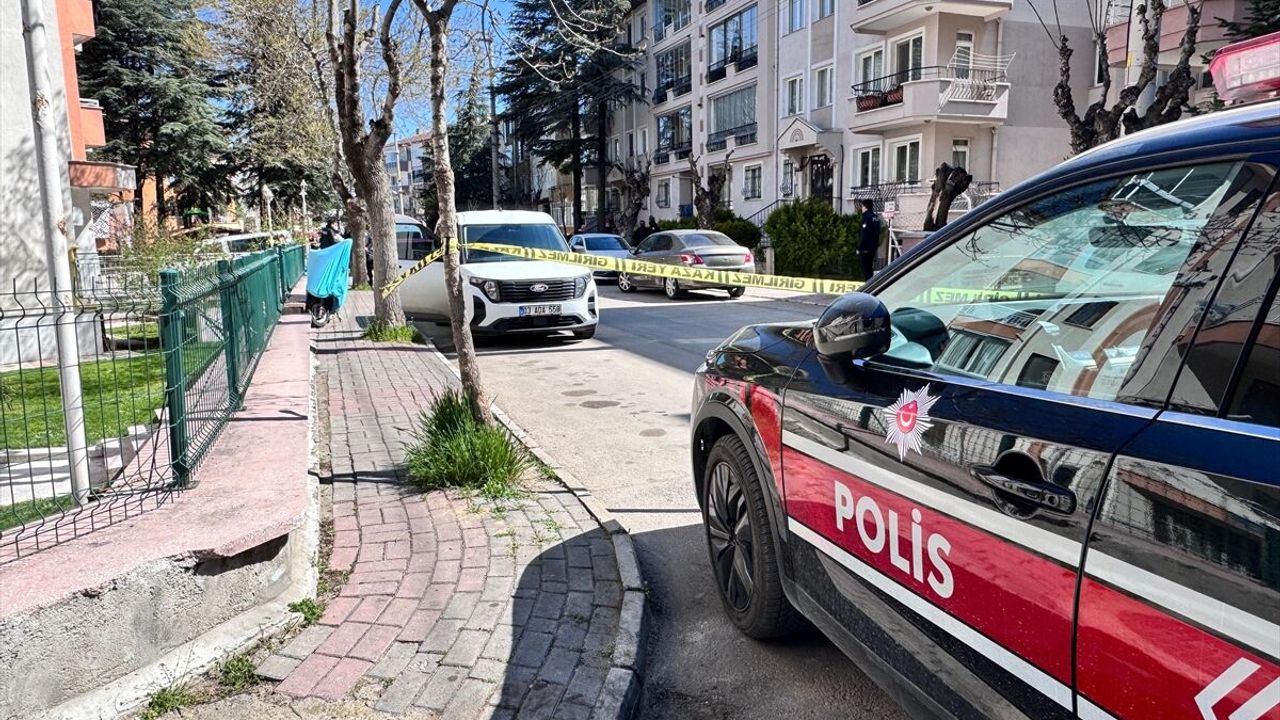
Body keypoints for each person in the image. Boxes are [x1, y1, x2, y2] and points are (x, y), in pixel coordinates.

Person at [858, 199, 881, 282]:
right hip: (873, 246)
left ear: (865, 207)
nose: (861, 208)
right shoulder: (876, 217)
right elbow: (878, 232)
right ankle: (870, 282)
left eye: (862, 206)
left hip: (866, 248)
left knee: (866, 268)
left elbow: (864, 234)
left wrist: (860, 248)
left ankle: (868, 285)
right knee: (869, 267)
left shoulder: (866, 218)